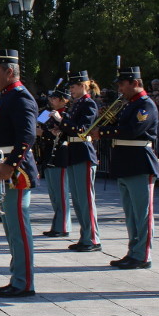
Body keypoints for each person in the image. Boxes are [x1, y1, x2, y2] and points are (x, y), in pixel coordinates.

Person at [0, 48, 38, 298]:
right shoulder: (5, 97)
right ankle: (17, 277)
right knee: (10, 229)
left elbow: (27, 136)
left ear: (9, 71)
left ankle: (24, 282)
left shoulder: (19, 97)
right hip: (4, 168)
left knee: (18, 229)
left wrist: (10, 164)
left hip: (15, 172)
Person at [94, 65, 159, 269]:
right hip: (126, 161)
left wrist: (103, 132)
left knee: (142, 213)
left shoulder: (145, 105)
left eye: (123, 84)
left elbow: (133, 130)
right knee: (131, 213)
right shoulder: (129, 104)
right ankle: (133, 251)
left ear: (136, 83)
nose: (120, 88)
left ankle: (143, 255)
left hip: (140, 162)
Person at [57, 70, 101, 251]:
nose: (71, 90)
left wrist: (62, 120)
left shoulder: (89, 104)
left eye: (73, 86)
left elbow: (82, 128)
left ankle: (92, 238)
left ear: (83, 85)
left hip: (83, 151)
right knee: (77, 198)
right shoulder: (77, 104)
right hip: (74, 152)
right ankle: (85, 236)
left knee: (86, 199)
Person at [37, 82, 70, 237]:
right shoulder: (48, 112)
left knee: (61, 193)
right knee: (53, 193)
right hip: (48, 153)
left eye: (55, 98)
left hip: (61, 154)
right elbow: (39, 125)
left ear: (64, 100)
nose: (52, 100)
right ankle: (57, 224)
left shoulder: (66, 113)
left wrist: (43, 133)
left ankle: (62, 226)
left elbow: (62, 133)